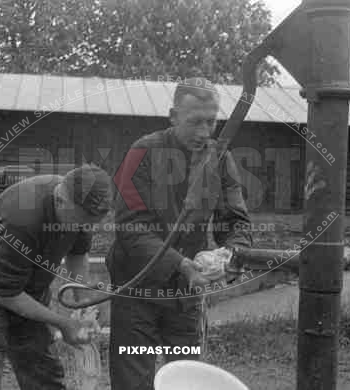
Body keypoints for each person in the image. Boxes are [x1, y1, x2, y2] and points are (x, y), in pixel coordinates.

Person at [106, 77, 255, 390]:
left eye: (211, 122)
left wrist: (227, 253)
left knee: (186, 377)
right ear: (173, 117)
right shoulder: (142, 152)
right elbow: (131, 227)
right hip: (137, 288)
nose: (204, 133)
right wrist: (181, 263)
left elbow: (236, 221)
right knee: (133, 379)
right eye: (194, 122)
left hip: (185, 294)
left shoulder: (221, 158)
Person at [0, 163, 113, 390]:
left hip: (29, 287)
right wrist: (64, 324)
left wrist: (82, 304)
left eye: (90, 225)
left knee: (39, 363)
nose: (85, 228)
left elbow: (77, 254)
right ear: (60, 202)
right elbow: (4, 294)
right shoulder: (24, 218)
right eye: (81, 223)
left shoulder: (80, 207)